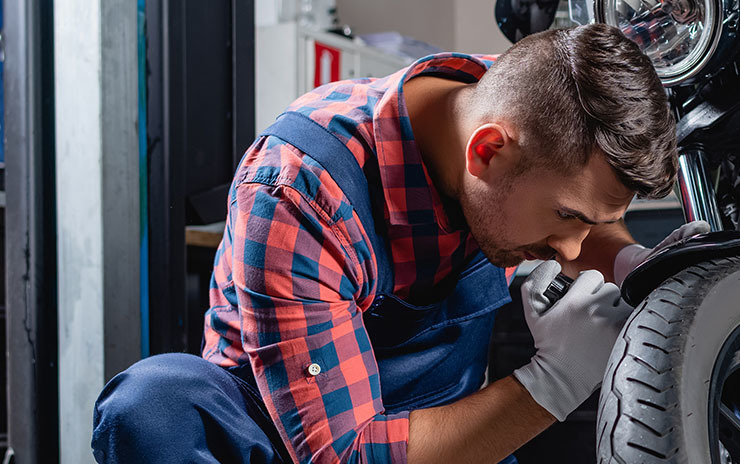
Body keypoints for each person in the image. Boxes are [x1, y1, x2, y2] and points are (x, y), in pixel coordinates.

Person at [91, 23, 708, 463]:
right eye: (565, 218)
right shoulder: (300, 192)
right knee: (154, 404)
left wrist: (634, 262)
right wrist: (554, 382)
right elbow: (345, 453)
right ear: (486, 152)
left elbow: (581, 196)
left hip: (443, 431)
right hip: (289, 436)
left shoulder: (521, 112)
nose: (574, 253)